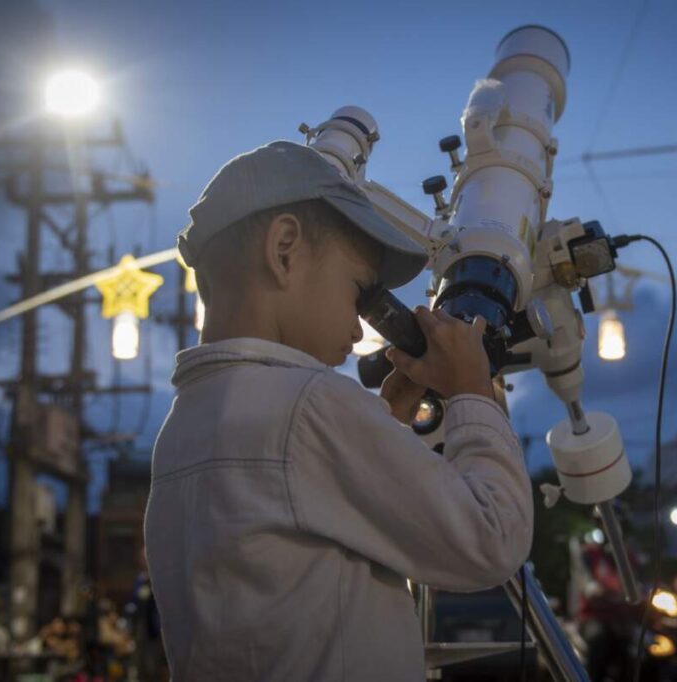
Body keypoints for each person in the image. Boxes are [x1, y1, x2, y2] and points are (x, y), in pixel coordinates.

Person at [144, 140, 533, 681]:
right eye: (358, 293)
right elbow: (493, 538)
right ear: (284, 249)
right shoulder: (310, 405)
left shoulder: (185, 426)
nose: (358, 329)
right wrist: (473, 392)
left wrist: (384, 426)